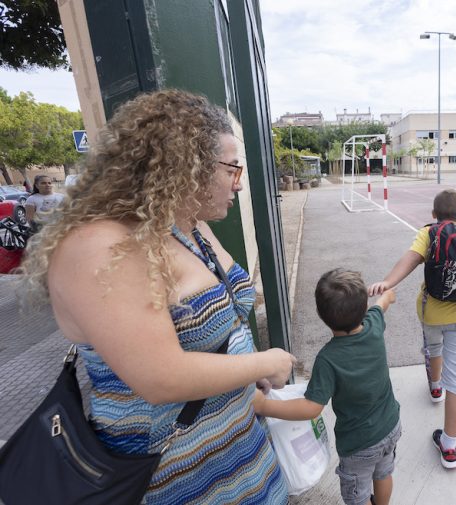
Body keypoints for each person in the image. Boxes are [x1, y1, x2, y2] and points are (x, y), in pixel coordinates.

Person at [20, 89, 295, 505]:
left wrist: (241, 369)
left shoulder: (184, 224)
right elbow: (160, 377)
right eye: (232, 170)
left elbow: (221, 321)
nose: (237, 186)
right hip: (173, 476)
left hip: (242, 457)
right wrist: (266, 362)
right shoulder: (102, 246)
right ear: (188, 166)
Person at [368, 188, 456, 470]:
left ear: (434, 215)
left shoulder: (429, 233)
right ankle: (450, 446)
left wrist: (387, 282)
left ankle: (435, 387)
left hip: (433, 312)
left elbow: (410, 259)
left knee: (433, 348)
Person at [255, 269, 401, 505]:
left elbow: (311, 407)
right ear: (363, 308)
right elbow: (383, 304)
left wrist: (264, 405)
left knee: (358, 494)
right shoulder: (373, 324)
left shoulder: (328, 358)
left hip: (359, 444)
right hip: (391, 425)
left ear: (322, 316)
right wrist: (388, 295)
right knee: (383, 473)